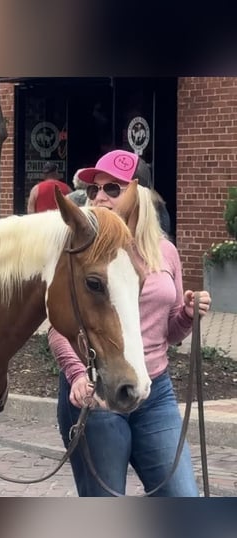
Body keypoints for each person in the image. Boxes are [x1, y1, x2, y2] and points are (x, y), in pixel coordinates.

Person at [48, 149, 212, 497]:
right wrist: (77, 373)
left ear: (138, 192)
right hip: (99, 392)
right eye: (94, 190)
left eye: (112, 188)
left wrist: (186, 315)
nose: (100, 197)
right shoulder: (82, 248)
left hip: (154, 392)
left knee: (184, 498)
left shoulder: (165, 253)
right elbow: (59, 323)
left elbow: (168, 332)